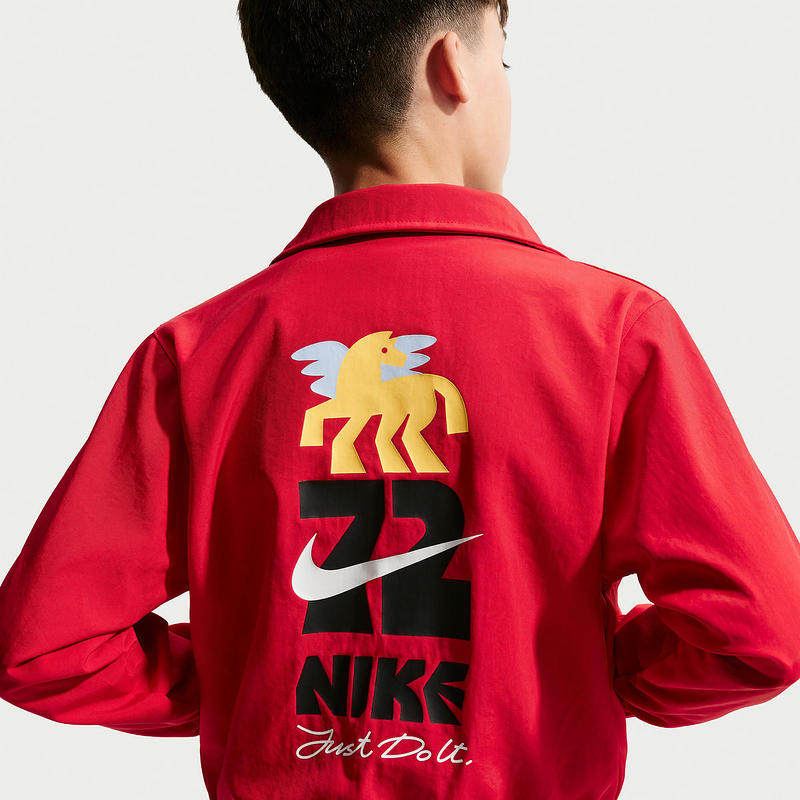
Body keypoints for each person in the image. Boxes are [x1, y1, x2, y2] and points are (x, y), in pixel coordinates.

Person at [1, 2, 798, 798]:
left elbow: (43, 647)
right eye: (502, 60)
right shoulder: (614, 332)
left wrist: (242, 681)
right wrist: (600, 675)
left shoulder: (199, 352)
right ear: (452, 64)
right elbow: (762, 629)